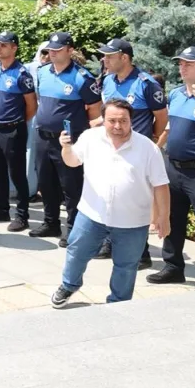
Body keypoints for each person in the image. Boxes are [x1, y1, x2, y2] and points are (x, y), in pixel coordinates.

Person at [51, 99, 170, 307]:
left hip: (132, 220)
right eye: (112, 120)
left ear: (131, 120)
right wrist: (66, 148)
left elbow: (160, 185)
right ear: (103, 120)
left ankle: (118, 303)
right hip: (92, 214)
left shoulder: (148, 148)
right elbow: (72, 161)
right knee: (76, 251)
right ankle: (69, 285)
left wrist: (163, 217)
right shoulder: (90, 137)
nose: (117, 126)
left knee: (126, 265)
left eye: (123, 121)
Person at [94, 38, 166, 263]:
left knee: (136, 203)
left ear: (124, 58)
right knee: (109, 196)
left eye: (109, 56)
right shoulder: (108, 80)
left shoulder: (145, 83)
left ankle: (141, 253)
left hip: (135, 153)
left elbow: (161, 117)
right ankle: (109, 242)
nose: (104, 60)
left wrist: (152, 141)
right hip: (111, 150)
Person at [30, 32, 101, 248]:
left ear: (70, 50)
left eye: (58, 50)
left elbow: (95, 111)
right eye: (50, 50)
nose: (52, 53)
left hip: (69, 141)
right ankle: (51, 222)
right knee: (46, 182)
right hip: (43, 136)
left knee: (71, 186)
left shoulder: (82, 77)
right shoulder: (43, 72)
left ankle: (73, 228)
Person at [148, 46, 195, 289]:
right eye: (181, 63)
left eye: (189, 64)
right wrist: (158, 149)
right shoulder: (175, 94)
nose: (182, 67)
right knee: (172, 217)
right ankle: (173, 266)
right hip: (173, 167)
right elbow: (169, 127)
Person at [0, 31, 37, 231]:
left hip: (12, 129)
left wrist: (17, 123)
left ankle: (22, 216)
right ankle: (1, 209)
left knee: (17, 174)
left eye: (4, 45)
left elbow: (31, 106)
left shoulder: (22, 75)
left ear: (14, 48)